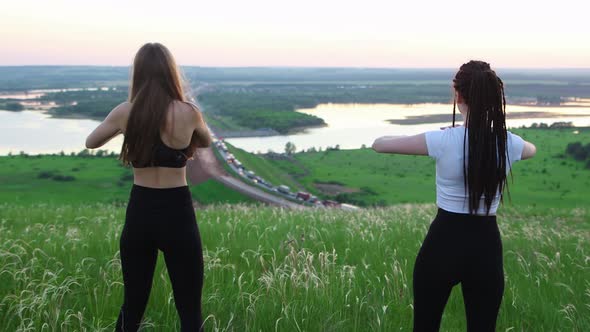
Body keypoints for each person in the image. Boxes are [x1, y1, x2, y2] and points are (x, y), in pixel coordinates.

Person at [372, 60, 536, 332]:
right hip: (486, 247)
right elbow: (532, 149)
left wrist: (436, 135)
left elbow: (379, 145)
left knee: (425, 326)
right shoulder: (510, 143)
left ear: (458, 95)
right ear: (495, 98)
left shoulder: (442, 140)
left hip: (443, 243)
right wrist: (504, 137)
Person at [85, 42, 212, 331]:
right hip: (177, 213)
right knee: (190, 309)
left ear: (138, 74)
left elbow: (91, 142)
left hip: (141, 211)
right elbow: (205, 141)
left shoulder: (124, 111)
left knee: (132, 307)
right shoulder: (189, 111)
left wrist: (124, 125)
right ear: (171, 73)